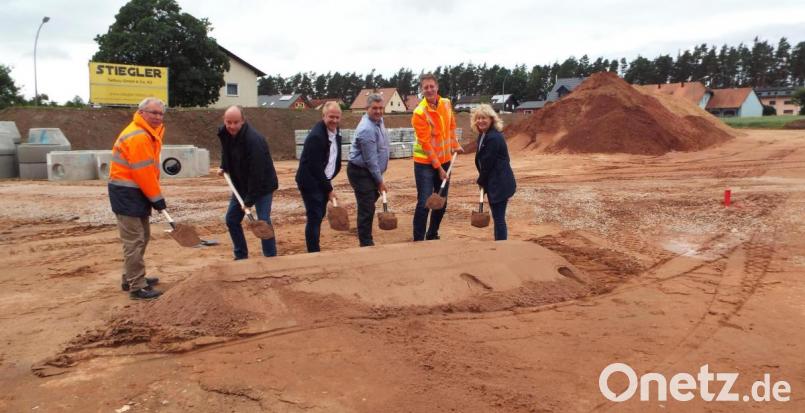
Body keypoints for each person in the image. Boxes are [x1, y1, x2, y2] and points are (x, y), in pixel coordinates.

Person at [108, 97, 167, 300]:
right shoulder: (139, 136)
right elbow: (143, 172)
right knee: (134, 241)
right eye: (153, 113)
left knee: (143, 236)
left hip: (137, 191)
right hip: (127, 192)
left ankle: (131, 277)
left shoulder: (151, 134)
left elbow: (148, 172)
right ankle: (136, 287)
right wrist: (157, 198)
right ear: (141, 113)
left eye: (160, 113)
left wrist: (152, 195)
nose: (158, 117)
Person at [217, 105, 279, 260]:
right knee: (231, 220)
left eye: (235, 122)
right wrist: (224, 166)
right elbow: (226, 150)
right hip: (241, 185)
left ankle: (271, 257)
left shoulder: (254, 141)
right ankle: (241, 255)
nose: (231, 126)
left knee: (263, 221)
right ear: (224, 121)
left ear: (243, 121)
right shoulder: (225, 132)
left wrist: (249, 201)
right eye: (228, 122)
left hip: (263, 185)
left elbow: (257, 174)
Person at [411, 73, 463, 241]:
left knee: (441, 201)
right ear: (422, 90)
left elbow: (451, 126)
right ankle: (418, 239)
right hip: (425, 163)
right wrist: (439, 168)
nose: (429, 89)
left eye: (431, 86)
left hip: (446, 160)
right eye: (425, 87)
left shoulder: (446, 104)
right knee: (425, 202)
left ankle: (432, 234)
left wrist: (455, 144)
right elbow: (426, 144)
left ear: (437, 87)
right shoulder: (419, 112)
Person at [296, 102, 343, 252]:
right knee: (315, 216)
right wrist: (329, 189)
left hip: (322, 179)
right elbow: (315, 168)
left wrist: (329, 180)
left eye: (337, 117)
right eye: (331, 117)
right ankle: (313, 251)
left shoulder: (335, 132)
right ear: (323, 116)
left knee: (319, 214)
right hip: (310, 182)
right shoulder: (316, 137)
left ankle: (314, 248)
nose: (334, 120)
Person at [347, 94, 390, 247]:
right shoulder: (367, 129)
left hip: (368, 171)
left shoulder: (379, 121)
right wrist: (380, 182)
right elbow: (371, 161)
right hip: (360, 172)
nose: (378, 111)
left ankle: (363, 231)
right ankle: (366, 243)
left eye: (380, 108)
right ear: (367, 109)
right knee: (366, 207)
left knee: (367, 205)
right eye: (374, 108)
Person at [472, 104, 516, 240]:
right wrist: (485, 181)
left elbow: (488, 163)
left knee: (499, 218)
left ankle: (501, 246)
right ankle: (499, 243)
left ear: (491, 119)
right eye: (478, 118)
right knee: (498, 216)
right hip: (493, 182)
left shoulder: (493, 138)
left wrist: (481, 180)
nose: (480, 121)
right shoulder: (483, 135)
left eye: (484, 118)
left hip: (500, 183)